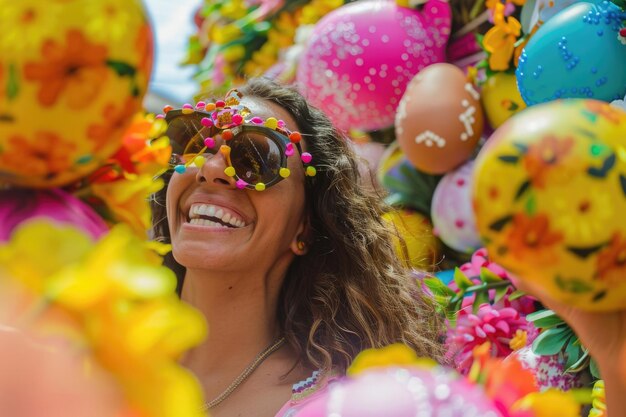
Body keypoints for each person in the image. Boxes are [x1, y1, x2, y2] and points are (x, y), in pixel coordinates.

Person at [150, 77, 444, 417]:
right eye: (193, 144)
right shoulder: (93, 342)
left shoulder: (337, 406)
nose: (211, 168)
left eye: (257, 158)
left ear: (304, 227)